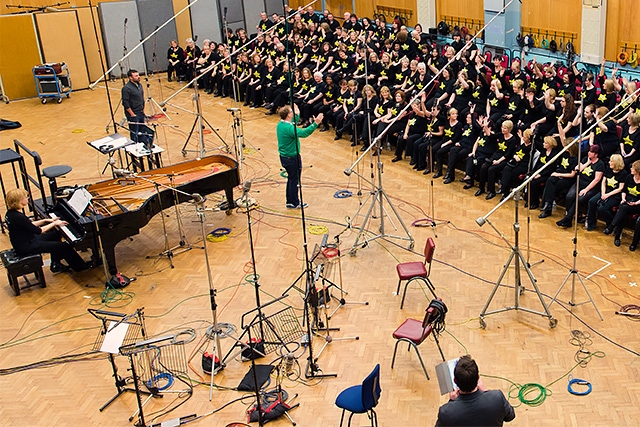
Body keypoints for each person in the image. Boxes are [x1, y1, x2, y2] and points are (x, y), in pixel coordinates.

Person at [4, 188, 89, 273]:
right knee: (63, 246)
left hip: (25, 241)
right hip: (27, 246)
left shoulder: (10, 213)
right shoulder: (19, 217)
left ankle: (56, 264)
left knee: (55, 235)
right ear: (19, 200)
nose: (27, 198)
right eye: (26, 197)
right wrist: (54, 223)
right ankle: (81, 267)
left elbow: (28, 225)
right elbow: (39, 231)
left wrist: (45, 220)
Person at [435, 355, 515, 427]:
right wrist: (486, 392)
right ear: (478, 377)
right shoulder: (497, 398)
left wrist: (451, 401)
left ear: (455, 381)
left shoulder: (446, 412)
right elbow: (510, 416)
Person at [277, 105, 323, 209]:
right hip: (292, 158)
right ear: (288, 115)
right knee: (294, 180)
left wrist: (297, 114)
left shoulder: (281, 124)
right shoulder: (289, 128)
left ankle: (290, 200)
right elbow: (304, 133)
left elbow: (293, 122)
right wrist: (316, 123)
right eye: (291, 112)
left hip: (284, 157)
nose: (293, 113)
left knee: (291, 179)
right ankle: (294, 202)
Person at [121, 69, 147, 143]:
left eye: (138, 75)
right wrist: (132, 114)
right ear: (130, 78)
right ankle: (135, 147)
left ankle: (142, 144)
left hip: (141, 112)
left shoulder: (140, 85)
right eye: (136, 76)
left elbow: (141, 98)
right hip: (133, 114)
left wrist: (143, 110)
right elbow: (125, 103)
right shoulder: (126, 88)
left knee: (142, 131)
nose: (138, 77)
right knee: (134, 132)